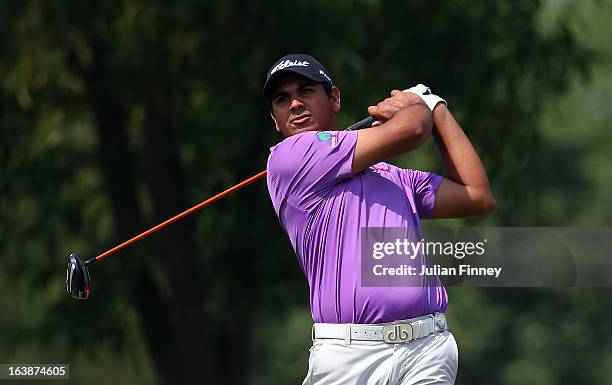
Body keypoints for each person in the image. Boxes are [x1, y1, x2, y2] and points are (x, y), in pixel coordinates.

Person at [263, 53, 495, 385]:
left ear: (334, 98)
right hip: (349, 356)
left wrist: (436, 107)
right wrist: (417, 105)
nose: (295, 104)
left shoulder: (394, 177)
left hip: (426, 349)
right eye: (282, 99)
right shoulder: (290, 158)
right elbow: (412, 128)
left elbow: (477, 195)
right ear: (275, 120)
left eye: (306, 91)